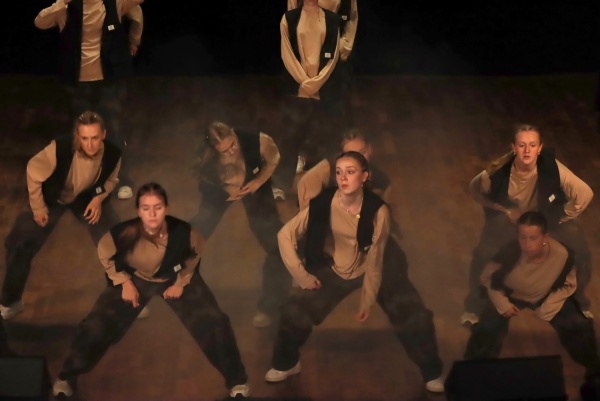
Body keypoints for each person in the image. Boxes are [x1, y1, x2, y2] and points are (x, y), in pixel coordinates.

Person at [265, 151, 445, 393]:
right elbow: (285, 235)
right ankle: (286, 363)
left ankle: (432, 371)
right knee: (294, 311)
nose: (343, 178)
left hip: (379, 264)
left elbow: (376, 260)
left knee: (413, 315)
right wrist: (303, 277)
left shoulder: (378, 210)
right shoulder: (324, 202)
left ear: (364, 176)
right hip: (337, 265)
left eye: (350, 172)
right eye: (339, 172)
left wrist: (367, 299)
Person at [52, 183, 250, 398]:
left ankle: (237, 381)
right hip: (136, 278)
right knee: (96, 326)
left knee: (215, 322)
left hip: (173, 278)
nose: (152, 214)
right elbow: (105, 252)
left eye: (157, 207)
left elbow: (195, 254)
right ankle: (66, 377)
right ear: (138, 211)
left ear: (166, 208)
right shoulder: (124, 233)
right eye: (146, 208)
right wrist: (124, 283)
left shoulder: (184, 232)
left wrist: (180, 283)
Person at [461, 124, 594, 326]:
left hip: (545, 218)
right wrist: (503, 209)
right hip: (512, 219)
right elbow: (475, 189)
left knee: (580, 249)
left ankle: (579, 302)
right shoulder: (497, 171)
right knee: (484, 253)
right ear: (513, 147)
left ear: (539, 148)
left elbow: (585, 194)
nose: (527, 151)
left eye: (532, 145)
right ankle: (473, 307)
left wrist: (557, 219)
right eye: (522, 145)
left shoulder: (552, 167)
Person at [0, 111, 121, 320]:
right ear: (77, 136)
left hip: (87, 198)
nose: (90, 144)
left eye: (94, 138)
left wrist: (98, 199)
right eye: (84, 138)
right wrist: (38, 207)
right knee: (18, 244)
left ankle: (125, 297)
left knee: (116, 241)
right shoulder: (59, 148)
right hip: (52, 197)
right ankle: (11, 301)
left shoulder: (113, 153)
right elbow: (33, 170)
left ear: (103, 135)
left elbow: (111, 181)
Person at [464, 211, 600, 391]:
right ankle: (473, 376)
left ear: (545, 237)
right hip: (510, 293)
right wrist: (502, 303)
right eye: (522, 238)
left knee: (578, 326)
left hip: (545, 295)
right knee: (487, 329)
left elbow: (569, 284)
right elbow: (487, 278)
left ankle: (596, 373)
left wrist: (548, 307)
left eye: (533, 238)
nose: (527, 244)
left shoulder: (562, 255)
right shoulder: (509, 252)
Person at [34, 0, 144, 199]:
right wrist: (61, 2)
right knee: (81, 135)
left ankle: (120, 180)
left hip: (108, 80)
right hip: (78, 83)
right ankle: (83, 183)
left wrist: (134, 40)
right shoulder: (66, 9)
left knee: (114, 129)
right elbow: (40, 22)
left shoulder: (114, 3)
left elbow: (137, 10)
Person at [190, 121, 292, 328]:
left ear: (234, 134)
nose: (232, 151)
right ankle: (163, 277)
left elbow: (273, 159)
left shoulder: (258, 140)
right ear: (214, 151)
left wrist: (258, 181)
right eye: (225, 151)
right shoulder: (207, 161)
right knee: (195, 232)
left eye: (233, 144)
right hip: (222, 189)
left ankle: (270, 306)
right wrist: (229, 189)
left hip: (254, 185)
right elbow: (205, 180)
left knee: (278, 243)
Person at [271, 0, 342, 200]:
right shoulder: (289, 19)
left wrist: (316, 82)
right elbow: (287, 54)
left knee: (321, 138)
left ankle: (320, 188)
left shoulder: (332, 20)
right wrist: (305, 82)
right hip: (299, 86)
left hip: (322, 86)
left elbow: (333, 56)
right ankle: (280, 185)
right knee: (290, 139)